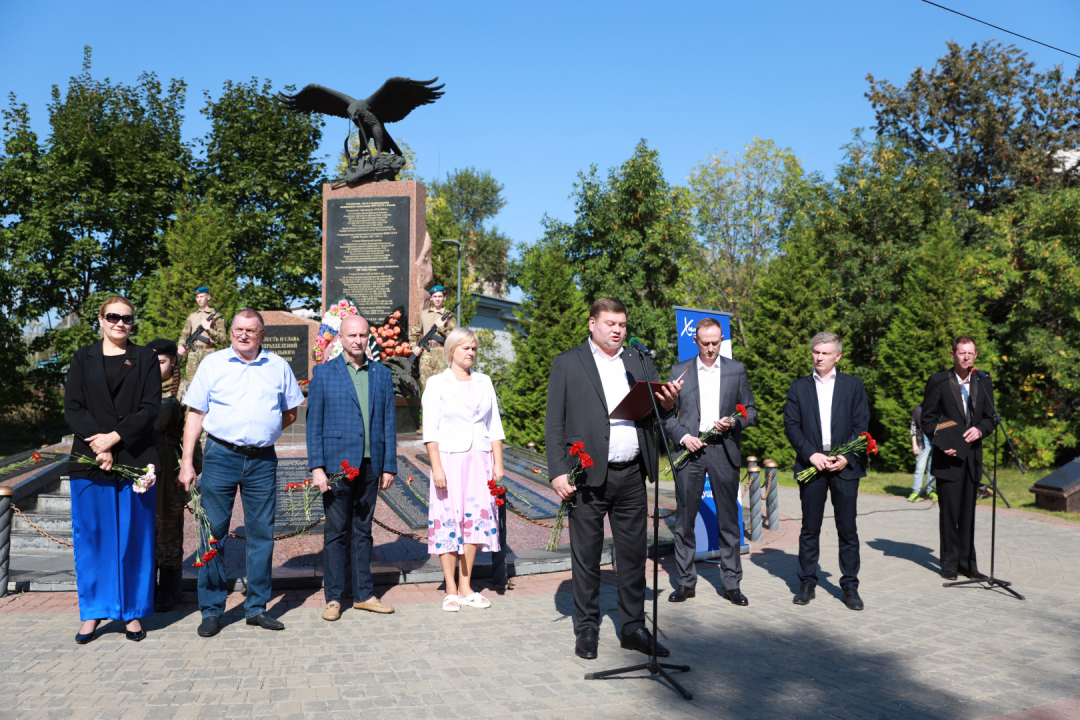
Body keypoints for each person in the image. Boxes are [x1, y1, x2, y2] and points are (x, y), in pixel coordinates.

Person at [545, 298, 682, 660]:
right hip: (587, 476)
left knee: (634, 556)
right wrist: (558, 470)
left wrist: (667, 404)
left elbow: (655, 414)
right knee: (587, 558)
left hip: (633, 474)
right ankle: (587, 628)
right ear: (592, 324)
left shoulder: (639, 360)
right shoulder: (568, 362)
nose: (617, 329)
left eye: (622, 323)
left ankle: (633, 627)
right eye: (610, 323)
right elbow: (554, 423)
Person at [179, 309, 305, 637]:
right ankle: (211, 609)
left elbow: (290, 411)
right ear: (231, 332)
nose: (244, 335)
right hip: (220, 456)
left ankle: (257, 608)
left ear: (262, 334)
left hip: (262, 459)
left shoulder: (278, 366)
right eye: (238, 329)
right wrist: (187, 462)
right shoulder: (213, 364)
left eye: (251, 330)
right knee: (213, 534)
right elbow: (195, 415)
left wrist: (265, 431)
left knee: (261, 535)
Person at [64, 296, 161, 644]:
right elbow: (72, 406)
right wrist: (99, 446)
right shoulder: (82, 357)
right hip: (90, 462)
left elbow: (151, 407)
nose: (121, 323)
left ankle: (132, 613)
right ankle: (92, 612)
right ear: (101, 319)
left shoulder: (146, 358)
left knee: (134, 539)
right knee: (92, 539)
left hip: (135, 459)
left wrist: (114, 440)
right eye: (114, 317)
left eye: (128, 318)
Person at [307, 315, 398, 621]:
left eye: (363, 335)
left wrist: (389, 466)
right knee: (335, 533)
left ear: (368, 337)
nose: (357, 340)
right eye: (352, 335)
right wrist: (317, 467)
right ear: (341, 338)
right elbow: (314, 424)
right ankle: (333, 597)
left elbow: (388, 423)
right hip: (336, 465)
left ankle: (363, 595)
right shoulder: (324, 373)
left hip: (371, 466)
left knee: (363, 532)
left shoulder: (382, 375)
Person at [663, 318, 757, 605]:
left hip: (724, 450)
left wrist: (734, 421)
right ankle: (685, 582)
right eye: (705, 343)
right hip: (690, 452)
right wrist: (683, 437)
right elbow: (665, 416)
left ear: (721, 339)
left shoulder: (735, 369)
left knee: (728, 521)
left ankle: (732, 584)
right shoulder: (680, 371)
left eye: (716, 342)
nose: (711, 348)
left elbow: (751, 411)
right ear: (696, 341)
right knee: (684, 521)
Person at [783, 332, 870, 611]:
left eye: (825, 353)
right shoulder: (798, 387)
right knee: (810, 528)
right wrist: (812, 455)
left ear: (838, 356)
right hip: (813, 466)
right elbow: (792, 427)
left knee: (848, 530)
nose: (819, 357)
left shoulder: (853, 385)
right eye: (815, 352)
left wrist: (846, 456)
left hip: (844, 467)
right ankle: (807, 582)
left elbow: (862, 425)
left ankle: (850, 586)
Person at [422, 328, 505, 612]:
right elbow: (430, 431)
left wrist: (498, 462)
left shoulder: (484, 381)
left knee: (474, 522)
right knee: (448, 521)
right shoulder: (436, 383)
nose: (471, 353)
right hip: (449, 459)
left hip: (479, 459)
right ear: (452, 350)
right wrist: (437, 467)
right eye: (466, 348)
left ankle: (467, 586)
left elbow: (494, 425)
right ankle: (451, 589)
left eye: (474, 349)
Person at [920, 336, 996, 581]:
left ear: (975, 355)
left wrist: (981, 430)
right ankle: (950, 564)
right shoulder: (938, 381)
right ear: (953, 354)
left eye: (970, 353)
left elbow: (990, 417)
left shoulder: (983, 381)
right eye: (962, 353)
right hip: (948, 458)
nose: (966, 357)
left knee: (968, 514)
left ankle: (968, 564)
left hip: (972, 458)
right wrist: (943, 444)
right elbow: (928, 419)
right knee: (950, 513)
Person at [146, 338, 197, 612]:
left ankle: (168, 589)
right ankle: (145, 588)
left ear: (173, 361)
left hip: (169, 462)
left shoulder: (184, 389)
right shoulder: (137, 387)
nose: (155, 367)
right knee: (143, 528)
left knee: (167, 526)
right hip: (140, 462)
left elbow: (195, 430)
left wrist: (194, 467)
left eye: (162, 361)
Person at [177, 285, 227, 388]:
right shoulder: (192, 316)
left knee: (210, 384)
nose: (199, 299)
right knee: (192, 386)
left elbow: (223, 338)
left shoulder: (216, 316)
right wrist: (180, 345)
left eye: (202, 297)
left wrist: (209, 329)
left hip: (209, 353)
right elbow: (184, 334)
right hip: (193, 354)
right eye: (197, 297)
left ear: (208, 297)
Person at [409, 285, 457, 393]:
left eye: (440, 296)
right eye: (435, 296)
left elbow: (454, 337)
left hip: (441, 354)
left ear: (444, 298)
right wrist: (414, 346)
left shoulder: (449, 315)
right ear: (431, 298)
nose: (437, 299)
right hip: (425, 354)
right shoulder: (423, 314)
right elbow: (414, 333)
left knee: (442, 388)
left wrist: (441, 328)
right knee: (426, 388)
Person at [909, 403, 937, 503]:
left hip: (937, 441)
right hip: (923, 441)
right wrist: (914, 444)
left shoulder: (939, 408)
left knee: (933, 468)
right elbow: (913, 427)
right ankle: (915, 492)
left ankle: (930, 490)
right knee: (920, 468)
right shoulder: (918, 409)